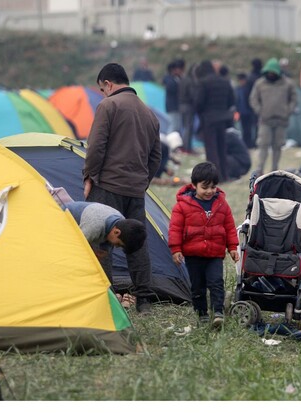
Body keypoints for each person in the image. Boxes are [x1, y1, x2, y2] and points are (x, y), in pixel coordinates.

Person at [83, 63, 161, 314]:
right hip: (136, 190)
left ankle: (106, 295)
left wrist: (89, 176)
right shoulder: (149, 113)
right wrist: (142, 181)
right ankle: (144, 300)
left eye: (102, 89)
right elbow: (156, 157)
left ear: (108, 84)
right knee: (136, 242)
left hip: (107, 186)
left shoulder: (108, 106)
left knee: (101, 241)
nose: (102, 94)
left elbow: (96, 146)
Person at [168, 162, 239, 328]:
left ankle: (218, 312)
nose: (209, 191)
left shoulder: (221, 204)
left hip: (214, 254)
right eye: (205, 187)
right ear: (194, 185)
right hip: (193, 255)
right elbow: (175, 229)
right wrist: (176, 249)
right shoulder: (182, 206)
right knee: (197, 287)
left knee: (216, 282)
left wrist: (233, 247)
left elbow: (229, 227)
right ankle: (202, 314)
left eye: (213, 187)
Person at [65, 201, 147, 284]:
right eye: (118, 244)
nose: (116, 247)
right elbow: (74, 248)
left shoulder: (121, 223)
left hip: (91, 226)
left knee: (100, 260)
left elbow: (102, 255)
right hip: (64, 219)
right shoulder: (94, 226)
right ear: (116, 232)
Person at [249, 58, 297, 176]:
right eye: (269, 72)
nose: (270, 74)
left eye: (273, 72)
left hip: (281, 119)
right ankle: (260, 169)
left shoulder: (288, 84)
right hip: (265, 120)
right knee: (263, 144)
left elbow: (294, 99)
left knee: (278, 145)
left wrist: (288, 110)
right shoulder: (260, 83)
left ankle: (274, 169)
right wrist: (259, 110)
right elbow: (253, 99)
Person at [195, 60, 235, 182]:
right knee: (222, 148)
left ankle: (216, 176)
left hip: (209, 119)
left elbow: (199, 102)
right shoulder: (224, 81)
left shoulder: (203, 82)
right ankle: (225, 175)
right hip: (223, 119)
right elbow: (232, 100)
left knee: (211, 149)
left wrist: (201, 113)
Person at [179, 62, 198, 153]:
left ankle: (185, 146)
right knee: (188, 127)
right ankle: (187, 147)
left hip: (182, 105)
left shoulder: (183, 80)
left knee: (185, 127)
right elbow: (192, 95)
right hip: (188, 106)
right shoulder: (191, 81)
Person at [163, 60, 182, 133]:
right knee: (173, 125)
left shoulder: (177, 78)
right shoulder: (169, 79)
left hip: (176, 106)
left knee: (177, 126)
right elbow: (172, 88)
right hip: (172, 106)